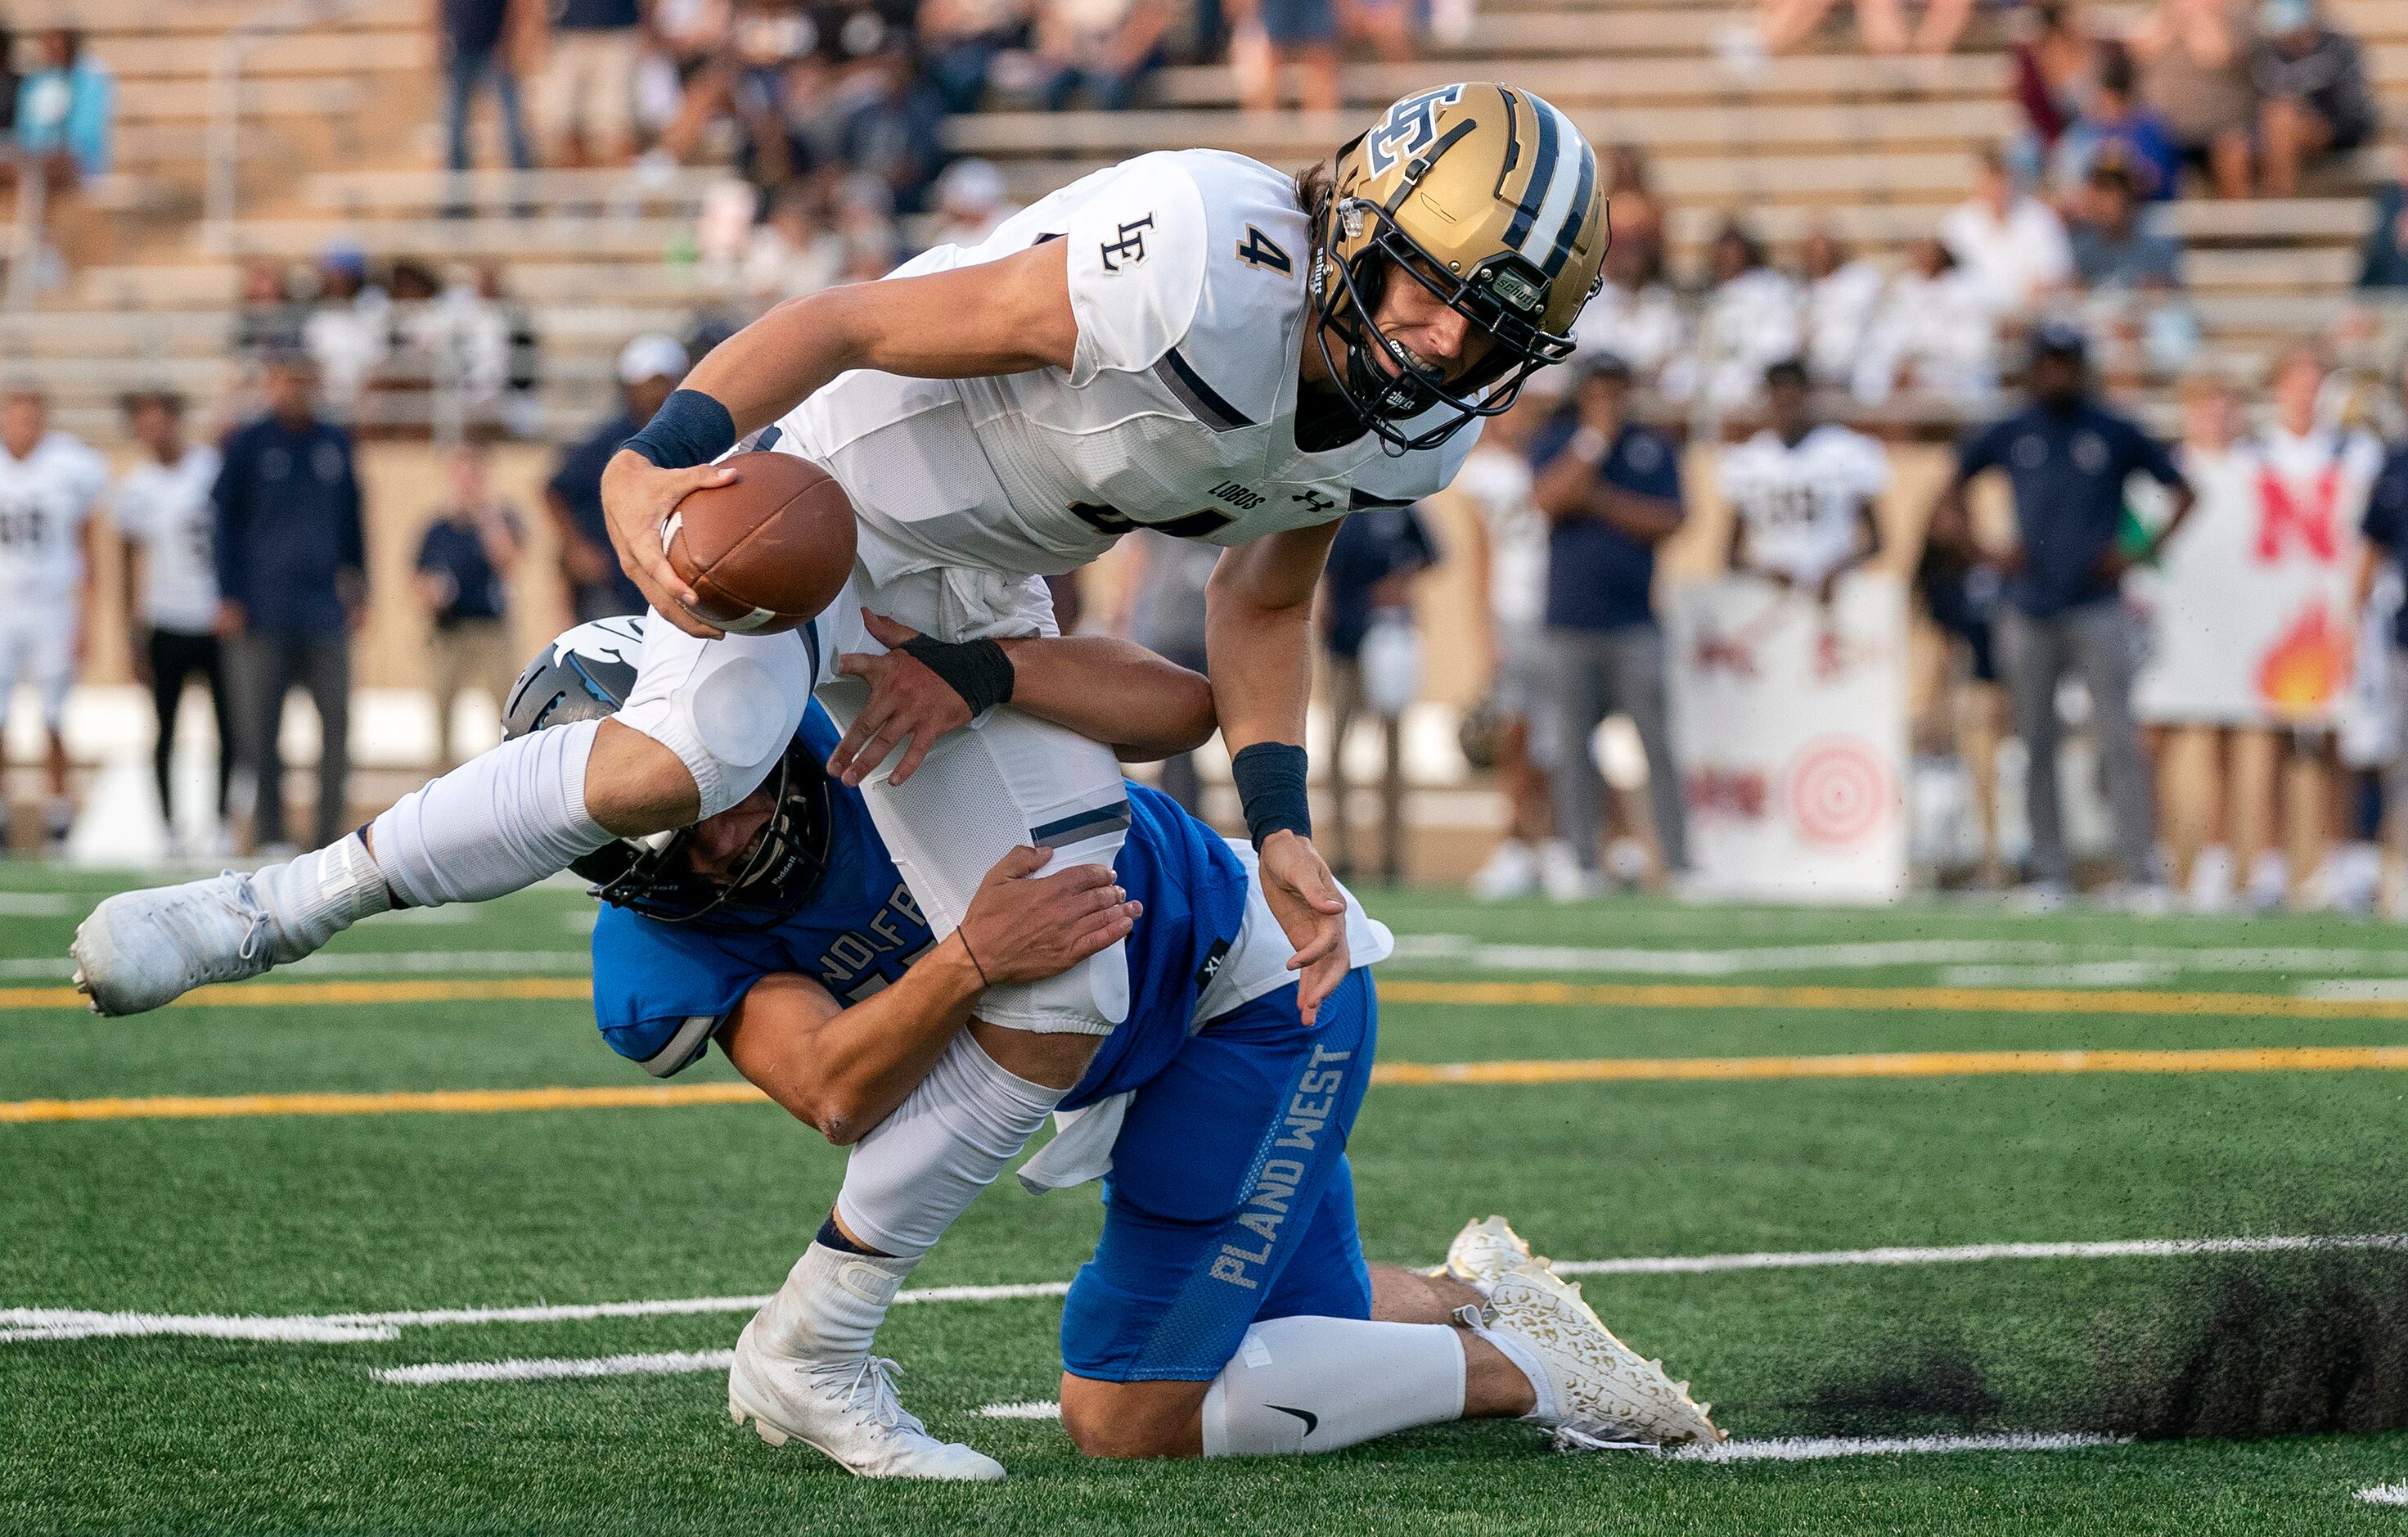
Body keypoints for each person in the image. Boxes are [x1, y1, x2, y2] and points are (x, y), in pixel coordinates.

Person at [73, 86, 1607, 1102]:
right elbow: (852, 316)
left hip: (990, 590)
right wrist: (658, 456)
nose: (1443, 345)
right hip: (843, 491)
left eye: (1490, 330)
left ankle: (822, 1340)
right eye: (1427, 287)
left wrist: (1282, 822)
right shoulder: (1204, 256)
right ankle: (276, 903)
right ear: (1358, 214)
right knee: (698, 759)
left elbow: (1262, 610)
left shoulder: (1423, 430)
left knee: (1068, 971)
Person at [513, 614, 1713, 1473]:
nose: (717, 846)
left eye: (709, 791)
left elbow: (1179, 698)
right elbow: (835, 1092)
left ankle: (1537, 1379)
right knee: (1296, 1316)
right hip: (1128, 1048)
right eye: (660, 829)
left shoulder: (860, 705)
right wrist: (967, 956)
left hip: (1244, 992)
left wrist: (985, 669)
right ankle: (1485, 1303)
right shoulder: (659, 949)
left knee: (1127, 1405)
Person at [1930, 323, 2194, 904]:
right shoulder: (2010, 429)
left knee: (2117, 739)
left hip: (2096, 606)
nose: (2055, 374)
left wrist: (2138, 551)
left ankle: (2140, 870)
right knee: (2035, 740)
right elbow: (1951, 488)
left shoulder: (2112, 428)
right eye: (2045, 363)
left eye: (2065, 363)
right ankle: (2048, 869)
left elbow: (2182, 490)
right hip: (2027, 606)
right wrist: (1982, 552)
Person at [1530, 354, 1688, 899]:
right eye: (1598, 394)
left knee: (1657, 745)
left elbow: (1669, 521)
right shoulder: (1559, 438)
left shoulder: (1652, 445)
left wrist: (1598, 500)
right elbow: (1549, 500)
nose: (1609, 404)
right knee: (1573, 747)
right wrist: (1591, 443)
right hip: (1569, 621)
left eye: (1616, 393)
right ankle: (1580, 859)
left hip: (1635, 620)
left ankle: (1680, 862)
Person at [211, 349, 367, 856]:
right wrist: (228, 594)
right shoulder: (248, 445)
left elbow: (353, 521)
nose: (295, 389)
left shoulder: (334, 443)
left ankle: (328, 833)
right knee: (261, 729)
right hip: (262, 610)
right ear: (271, 383)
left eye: (303, 379)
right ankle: (272, 832)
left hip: (323, 609)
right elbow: (223, 525)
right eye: (285, 379)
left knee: (336, 726)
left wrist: (359, 584)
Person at [112, 392, 233, 852]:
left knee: (229, 725)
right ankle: (169, 826)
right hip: (166, 620)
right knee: (165, 727)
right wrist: (132, 630)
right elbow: (127, 562)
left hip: (215, 617)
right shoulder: (137, 486)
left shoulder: (211, 468)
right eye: (145, 424)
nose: (154, 433)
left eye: (159, 422)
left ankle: (220, 820)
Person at [1456, 387, 1556, 899]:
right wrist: (1485, 627)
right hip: (1516, 612)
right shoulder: (1485, 471)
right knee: (1518, 734)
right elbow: (1482, 553)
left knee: (1555, 736)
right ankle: (1521, 844)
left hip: (1561, 612)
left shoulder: (1551, 458)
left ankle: (1549, 844)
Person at [0, 385, 105, 850]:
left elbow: (86, 540)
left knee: (54, 714)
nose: (25, 424)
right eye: (16, 415)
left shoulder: (70, 465)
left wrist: (87, 612)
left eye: (31, 415)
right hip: (3, 604)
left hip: (51, 604)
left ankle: (59, 815)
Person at [1318, 501, 1438, 886]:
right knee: (1339, 750)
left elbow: (1432, 553)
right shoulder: (1345, 504)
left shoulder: (1402, 506)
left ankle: (1392, 855)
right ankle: (1342, 850)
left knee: (1392, 751)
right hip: (1348, 644)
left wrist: (1400, 585)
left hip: (1390, 641)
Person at [1721, 359, 1886, 606]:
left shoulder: (1844, 449)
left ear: (1808, 395)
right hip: (1770, 604)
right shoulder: (1749, 458)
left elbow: (1877, 541)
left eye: (1793, 398)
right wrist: (1767, 575)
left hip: (1835, 598)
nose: (1787, 407)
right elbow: (1731, 555)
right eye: (1779, 397)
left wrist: (1838, 570)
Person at [547, 333, 684, 624]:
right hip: (615, 583)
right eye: (649, 381)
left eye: (662, 380)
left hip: (675, 579)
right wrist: (575, 547)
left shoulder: (692, 436)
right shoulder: (610, 440)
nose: (655, 391)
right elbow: (556, 489)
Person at [414, 448, 525, 772]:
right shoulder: (437, 530)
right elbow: (416, 579)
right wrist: (431, 593)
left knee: (506, 708)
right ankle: (441, 777)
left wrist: (486, 517)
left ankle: (510, 773)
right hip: (449, 631)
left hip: (491, 628)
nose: (466, 485)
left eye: (472, 477)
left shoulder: (500, 519)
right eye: (460, 477)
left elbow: (509, 559)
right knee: (443, 712)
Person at [1114, 530, 1218, 814]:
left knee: (1236, 735)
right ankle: (1186, 817)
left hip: (1216, 631)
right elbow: (1139, 556)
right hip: (1172, 630)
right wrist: (1124, 618)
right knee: (1178, 743)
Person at [2127, 0, 2254, 200]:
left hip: (2217, 131)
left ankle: (2238, 228)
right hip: (2165, 129)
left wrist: (2196, 20)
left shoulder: (2234, 17)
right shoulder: (2160, 18)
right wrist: (2172, 21)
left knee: (2233, 152)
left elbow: (2215, 54)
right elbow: (2138, 48)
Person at [2250, 0, 2375, 199]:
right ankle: (2278, 199)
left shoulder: (2339, 47)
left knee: (2282, 118)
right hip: (2284, 129)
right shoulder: (2270, 51)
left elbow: (2353, 111)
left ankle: (2278, 200)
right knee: (2276, 120)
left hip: (2338, 126)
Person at [1941, 146, 2074, 320]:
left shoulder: (2039, 218)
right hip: (1975, 318)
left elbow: (2058, 273)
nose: (1995, 188)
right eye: (1988, 181)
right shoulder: (1958, 225)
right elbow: (1947, 279)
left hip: (2031, 317)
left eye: (1999, 179)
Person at [2048, 43, 2181, 202]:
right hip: (2097, 211)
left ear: (2126, 99)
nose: (2104, 109)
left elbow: (2155, 181)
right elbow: (2066, 178)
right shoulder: (2088, 129)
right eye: (2102, 102)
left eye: (2111, 103)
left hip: (2148, 209)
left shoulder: (2151, 127)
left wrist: (2126, 164)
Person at [437, 0, 536, 183]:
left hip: (494, 48)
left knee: (512, 128)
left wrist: (507, 42)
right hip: (459, 48)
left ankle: (524, 193)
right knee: (455, 128)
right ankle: (458, 200)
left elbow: (518, 6)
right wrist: (438, 41)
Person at [538, 0, 644, 167]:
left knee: (610, 129)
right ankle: (574, 191)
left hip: (614, 32)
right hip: (563, 35)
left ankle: (613, 191)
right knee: (562, 128)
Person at [10, 29, 113, 187]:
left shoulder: (90, 76)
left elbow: (86, 134)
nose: (55, 48)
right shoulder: (37, 81)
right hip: (36, 158)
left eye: (60, 42)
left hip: (80, 163)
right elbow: (26, 131)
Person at [2068, 160, 2185, 290]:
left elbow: (2167, 297)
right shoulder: (2082, 245)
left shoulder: (2157, 243)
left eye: (2112, 191)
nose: (2104, 202)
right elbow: (2076, 294)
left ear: (2130, 196)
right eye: (2100, 190)